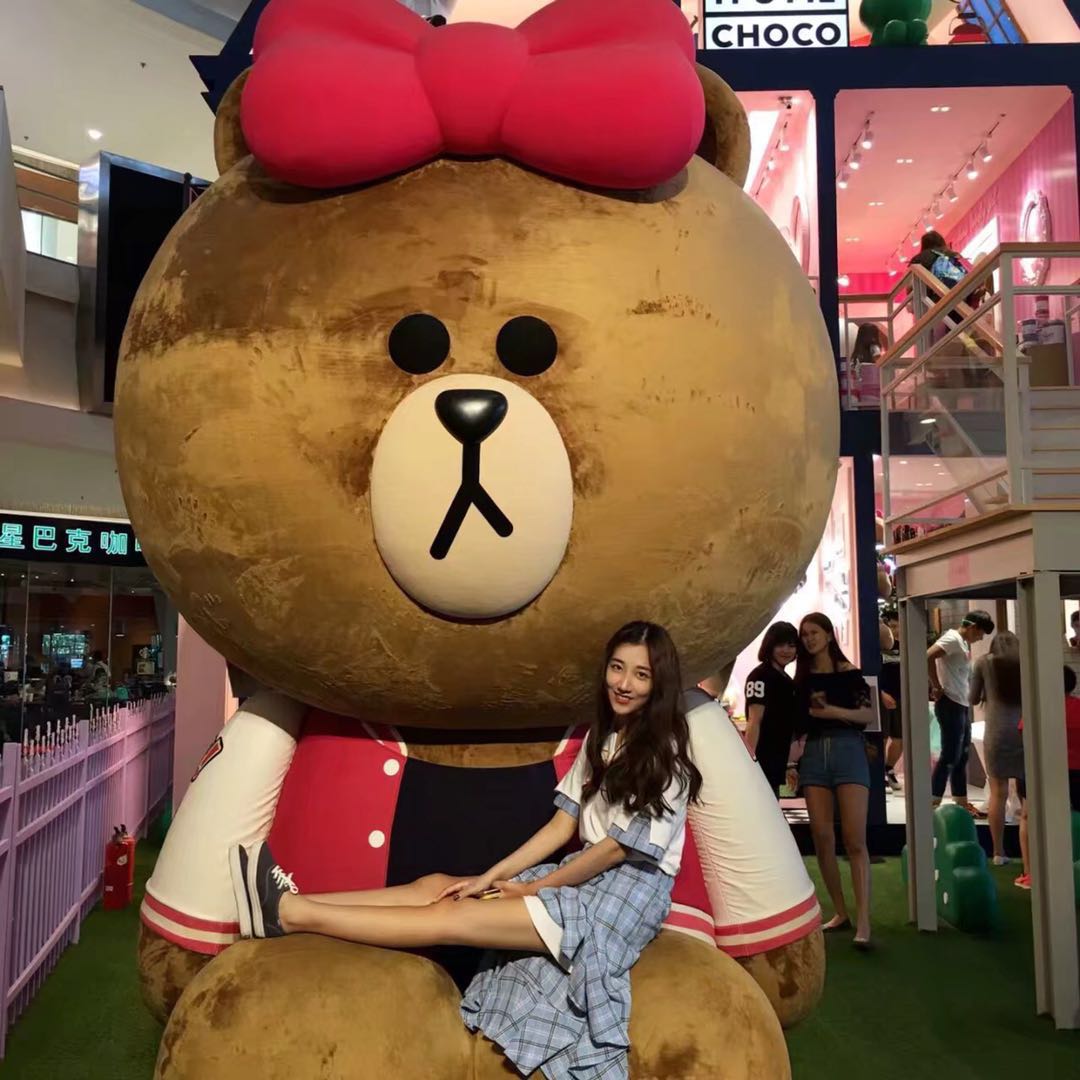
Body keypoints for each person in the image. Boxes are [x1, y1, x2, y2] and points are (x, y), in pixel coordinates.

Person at [228, 621, 701, 1080]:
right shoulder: (604, 739)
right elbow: (562, 827)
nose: (624, 683)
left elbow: (614, 851)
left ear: (658, 684)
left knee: (452, 917)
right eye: (617, 668)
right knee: (439, 886)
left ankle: (290, 914)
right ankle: (290, 902)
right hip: (582, 873)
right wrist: (490, 877)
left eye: (640, 674)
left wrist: (534, 888)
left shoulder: (669, 756)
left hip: (624, 897)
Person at [793, 612, 874, 949]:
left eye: (814, 632)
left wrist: (832, 713)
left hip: (848, 750)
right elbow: (797, 721)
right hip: (814, 754)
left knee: (855, 839)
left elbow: (868, 714)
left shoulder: (850, 673)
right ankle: (841, 912)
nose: (809, 639)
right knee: (822, 837)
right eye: (804, 634)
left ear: (828, 634)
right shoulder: (802, 678)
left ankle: (864, 919)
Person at [1015, 666, 1080, 890]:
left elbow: (1024, 735)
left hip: (1042, 771)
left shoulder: (1039, 708)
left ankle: (1030, 873)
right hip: (1076, 773)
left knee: (1028, 817)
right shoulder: (1077, 707)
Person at [927, 611, 994, 815]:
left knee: (962, 755)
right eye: (980, 634)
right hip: (950, 702)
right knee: (950, 754)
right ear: (973, 627)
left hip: (961, 703)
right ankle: (932, 802)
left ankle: (961, 802)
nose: (980, 639)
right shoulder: (952, 638)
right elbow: (928, 656)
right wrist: (936, 686)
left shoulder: (962, 642)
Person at [969, 631, 1023, 864]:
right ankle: (1032, 850)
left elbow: (972, 698)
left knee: (998, 794)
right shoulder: (1025, 661)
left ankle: (998, 852)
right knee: (1027, 795)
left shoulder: (983, 663)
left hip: (996, 733)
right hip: (1023, 731)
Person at [743, 621, 799, 798]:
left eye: (791, 645)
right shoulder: (760, 676)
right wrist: (750, 761)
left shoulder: (788, 681)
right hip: (761, 761)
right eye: (780, 645)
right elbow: (754, 721)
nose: (786, 650)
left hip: (777, 762)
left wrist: (789, 764)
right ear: (770, 646)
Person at [879, 610, 903, 791]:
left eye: (896, 626)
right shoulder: (877, 647)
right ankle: (879, 772)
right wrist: (881, 693)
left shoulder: (906, 646)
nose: (894, 631)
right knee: (882, 737)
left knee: (899, 738)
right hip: (882, 697)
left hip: (901, 697)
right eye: (891, 627)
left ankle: (889, 768)